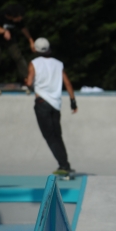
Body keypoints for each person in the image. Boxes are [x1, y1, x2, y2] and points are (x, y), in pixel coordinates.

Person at [26, 38, 77, 176]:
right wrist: (73, 101)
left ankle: (64, 166)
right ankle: (65, 164)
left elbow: (29, 82)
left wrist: (26, 82)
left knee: (50, 136)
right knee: (57, 135)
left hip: (42, 103)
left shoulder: (34, 63)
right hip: (55, 105)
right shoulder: (58, 64)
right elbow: (67, 83)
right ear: (49, 48)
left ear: (35, 49)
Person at [0, 4, 35, 90]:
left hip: (9, 39)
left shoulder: (18, 20)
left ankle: (26, 79)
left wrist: (31, 41)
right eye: (19, 17)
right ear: (13, 16)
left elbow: (24, 29)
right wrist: (4, 31)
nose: (21, 19)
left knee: (18, 57)